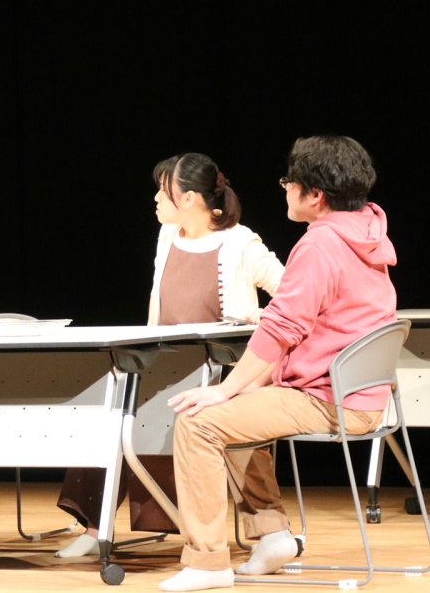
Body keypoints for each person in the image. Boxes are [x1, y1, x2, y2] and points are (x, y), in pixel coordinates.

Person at [159, 136, 397, 592]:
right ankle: (272, 535)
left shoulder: (321, 243)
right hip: (359, 392)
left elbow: (284, 328)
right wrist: (244, 382)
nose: (284, 188)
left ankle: (208, 562)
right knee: (236, 410)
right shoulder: (366, 230)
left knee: (200, 421)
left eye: (290, 182)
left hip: (331, 396)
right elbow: (325, 315)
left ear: (315, 194)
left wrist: (225, 388)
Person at [56, 152, 284, 558]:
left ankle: (271, 532)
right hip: (161, 365)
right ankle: (96, 527)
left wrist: (260, 314)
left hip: (220, 371)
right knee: (110, 412)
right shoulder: (168, 236)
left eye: (164, 191)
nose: (156, 199)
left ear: (190, 198)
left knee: (239, 429)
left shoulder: (240, 242)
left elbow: (291, 294)